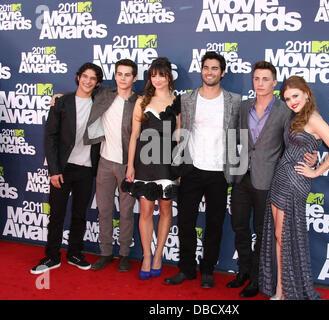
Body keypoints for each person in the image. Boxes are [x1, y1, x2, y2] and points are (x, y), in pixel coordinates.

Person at [227, 61, 317, 297]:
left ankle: (256, 280)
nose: (260, 83)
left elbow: (297, 142)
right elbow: (234, 138)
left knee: (262, 231)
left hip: (268, 179)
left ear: (274, 83)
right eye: (256, 78)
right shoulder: (244, 107)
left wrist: (312, 160)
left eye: (265, 79)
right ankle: (243, 271)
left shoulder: (285, 110)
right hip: (241, 176)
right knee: (239, 226)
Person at [259, 75, 329, 300]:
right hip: (280, 178)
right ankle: (280, 290)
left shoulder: (314, 119)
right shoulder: (296, 117)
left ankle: (288, 292)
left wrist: (316, 170)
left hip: (295, 181)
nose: (292, 101)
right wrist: (313, 157)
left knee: (284, 235)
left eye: (295, 96)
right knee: (279, 236)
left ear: (306, 93)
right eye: (287, 98)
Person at [164, 51, 241, 288]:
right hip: (191, 170)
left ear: (223, 72)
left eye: (215, 68)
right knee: (186, 223)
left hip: (220, 172)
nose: (210, 72)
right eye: (206, 67)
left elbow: (248, 131)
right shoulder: (186, 99)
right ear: (201, 70)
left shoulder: (235, 101)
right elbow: (175, 132)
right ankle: (186, 269)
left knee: (215, 225)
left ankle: (207, 269)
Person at [30, 62, 103, 274]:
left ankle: (74, 253)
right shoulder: (62, 102)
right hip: (62, 168)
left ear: (97, 82)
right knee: (57, 214)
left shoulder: (100, 102)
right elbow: (50, 137)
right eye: (85, 76)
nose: (88, 81)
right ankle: (52, 256)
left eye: (93, 78)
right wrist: (54, 170)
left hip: (87, 168)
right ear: (78, 77)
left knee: (80, 214)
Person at [123, 57, 180, 279]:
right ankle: (146, 256)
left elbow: (179, 136)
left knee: (166, 210)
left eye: (161, 75)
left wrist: (179, 167)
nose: (157, 79)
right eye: (153, 75)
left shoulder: (178, 102)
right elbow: (134, 136)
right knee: (145, 211)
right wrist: (130, 165)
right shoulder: (142, 101)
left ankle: (158, 255)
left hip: (167, 164)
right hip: (144, 163)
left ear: (169, 77)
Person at [83, 59, 138, 272]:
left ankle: (124, 254)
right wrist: (60, 98)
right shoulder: (104, 94)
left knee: (125, 212)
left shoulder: (139, 101)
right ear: (115, 76)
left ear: (134, 78)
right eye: (119, 74)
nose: (122, 78)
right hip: (104, 162)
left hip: (127, 165)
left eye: (127, 74)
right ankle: (105, 253)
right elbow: (82, 94)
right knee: (104, 210)